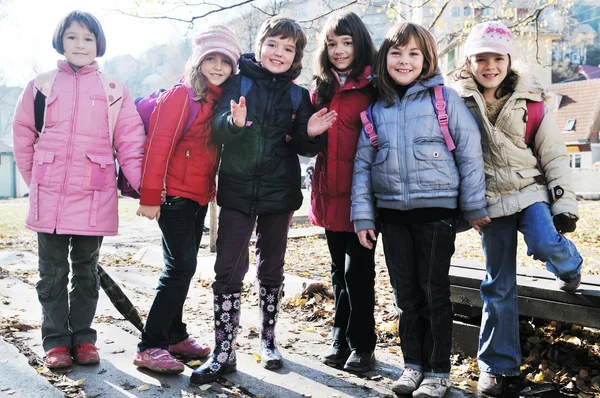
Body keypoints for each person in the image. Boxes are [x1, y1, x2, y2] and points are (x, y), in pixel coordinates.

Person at [190, 16, 336, 384]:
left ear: (296, 57)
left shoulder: (297, 95)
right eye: (273, 44)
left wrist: (311, 132)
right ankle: (224, 351)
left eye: (289, 49)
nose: (279, 53)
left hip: (280, 194)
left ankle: (268, 341)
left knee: (271, 268)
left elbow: (303, 145)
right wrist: (234, 124)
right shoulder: (237, 82)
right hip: (238, 192)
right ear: (259, 45)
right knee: (227, 270)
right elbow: (219, 129)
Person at [351, 22, 489, 397]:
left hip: (436, 213)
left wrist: (474, 205)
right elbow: (362, 166)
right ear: (384, 59)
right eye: (396, 53)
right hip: (392, 216)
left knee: (433, 292)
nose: (404, 60)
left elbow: (470, 153)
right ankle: (412, 365)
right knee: (404, 295)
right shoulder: (377, 109)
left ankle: (438, 372)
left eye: (414, 53)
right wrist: (363, 216)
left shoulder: (444, 100)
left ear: (427, 59)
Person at [453, 21, 583, 397]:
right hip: (489, 201)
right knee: (498, 284)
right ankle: (498, 368)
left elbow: (554, 155)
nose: (489, 65)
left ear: (509, 60)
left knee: (545, 242)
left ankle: (570, 264)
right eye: (480, 58)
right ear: (469, 62)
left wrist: (564, 204)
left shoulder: (532, 101)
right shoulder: (457, 101)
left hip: (529, 191)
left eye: (497, 57)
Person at [12, 10, 145, 369]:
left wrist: (143, 187)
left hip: (94, 194)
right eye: (72, 37)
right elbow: (24, 136)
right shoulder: (40, 85)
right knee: (52, 272)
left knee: (86, 270)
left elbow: (130, 140)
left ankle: (84, 338)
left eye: (88, 38)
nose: (80, 44)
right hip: (49, 195)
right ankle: (55, 340)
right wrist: (35, 180)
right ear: (61, 41)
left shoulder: (113, 89)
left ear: (98, 44)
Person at [132, 25, 242, 374]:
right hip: (173, 197)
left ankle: (175, 335)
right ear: (198, 61)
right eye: (210, 58)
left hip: (196, 196)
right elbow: (158, 146)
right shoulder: (182, 95)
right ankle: (149, 345)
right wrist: (150, 196)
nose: (218, 65)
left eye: (225, 61)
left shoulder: (216, 101)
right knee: (181, 268)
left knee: (179, 266)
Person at [308, 11, 378, 372]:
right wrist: (308, 130)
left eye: (347, 42)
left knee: (359, 270)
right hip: (328, 191)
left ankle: (363, 343)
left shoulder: (374, 86)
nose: (339, 50)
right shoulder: (320, 88)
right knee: (338, 270)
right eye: (332, 43)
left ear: (360, 43)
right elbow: (306, 144)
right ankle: (340, 335)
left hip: (363, 194)